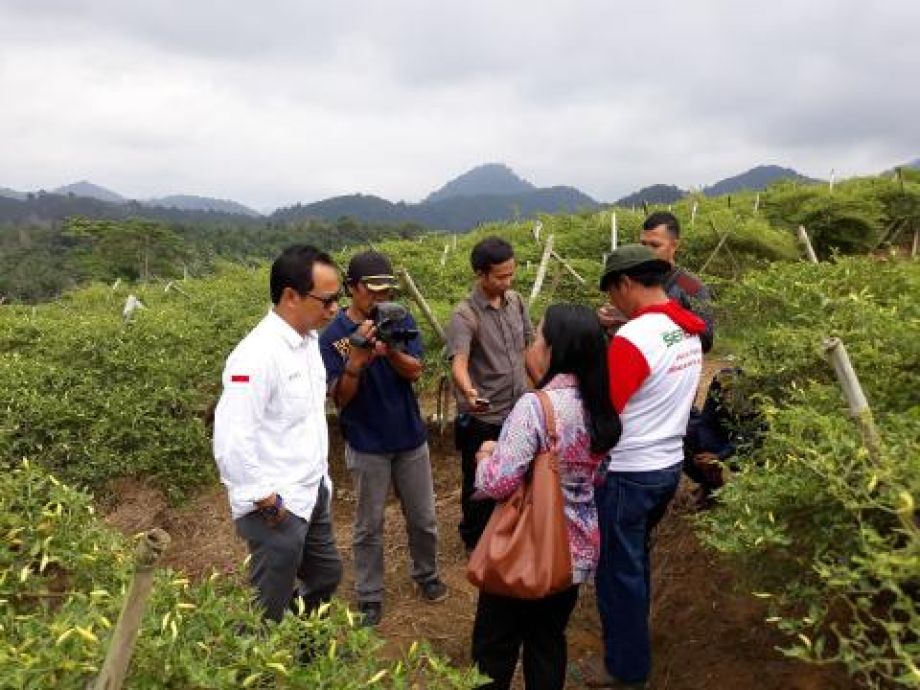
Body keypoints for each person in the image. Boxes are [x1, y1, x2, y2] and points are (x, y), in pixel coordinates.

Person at [471, 304, 621, 690]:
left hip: (527, 546)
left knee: (495, 646)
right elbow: (599, 474)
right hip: (575, 551)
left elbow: (498, 484)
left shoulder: (536, 407)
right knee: (547, 641)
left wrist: (485, 455)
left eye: (538, 337)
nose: (533, 345)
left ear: (555, 349)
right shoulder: (601, 405)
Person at [587, 244, 707, 688]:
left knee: (619, 575)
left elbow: (606, 414)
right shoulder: (686, 329)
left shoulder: (632, 339)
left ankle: (625, 670)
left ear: (626, 284)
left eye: (612, 293)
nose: (613, 303)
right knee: (633, 563)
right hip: (668, 465)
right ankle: (634, 644)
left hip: (628, 473)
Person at [213, 244, 344, 623]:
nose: (335, 309)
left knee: (325, 575)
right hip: (276, 504)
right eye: (327, 300)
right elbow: (233, 437)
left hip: (312, 489)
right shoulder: (255, 355)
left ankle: (302, 648)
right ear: (291, 296)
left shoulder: (309, 342)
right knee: (268, 601)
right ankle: (258, 668)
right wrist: (265, 499)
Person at [319, 251, 447, 627]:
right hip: (366, 442)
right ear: (353, 288)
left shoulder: (398, 317)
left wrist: (390, 350)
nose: (379, 296)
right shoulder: (334, 337)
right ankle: (370, 595)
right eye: (372, 290)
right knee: (368, 525)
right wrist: (356, 362)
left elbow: (416, 370)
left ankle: (427, 574)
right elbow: (339, 398)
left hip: (409, 437)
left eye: (386, 289)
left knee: (423, 518)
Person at [446, 236, 539, 552]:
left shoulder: (516, 302)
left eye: (511, 274)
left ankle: (507, 534)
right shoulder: (465, 314)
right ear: (481, 274)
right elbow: (458, 362)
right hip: (485, 414)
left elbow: (529, 348)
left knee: (515, 473)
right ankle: (474, 540)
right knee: (479, 479)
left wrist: (543, 387)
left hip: (517, 408)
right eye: (501, 276)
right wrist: (469, 391)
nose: (508, 281)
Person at [639, 211, 714, 353]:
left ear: (674, 246)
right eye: (643, 244)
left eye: (655, 245)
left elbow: (706, 340)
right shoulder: (632, 280)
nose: (646, 252)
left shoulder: (691, 287)